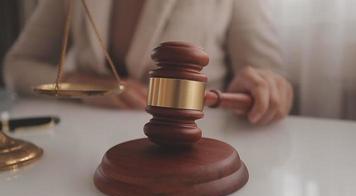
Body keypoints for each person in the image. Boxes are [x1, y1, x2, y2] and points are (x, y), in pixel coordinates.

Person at [3, 0, 293, 125]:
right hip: (90, 145)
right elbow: (17, 65)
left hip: (197, 146)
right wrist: (85, 87)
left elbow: (269, 77)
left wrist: (265, 89)